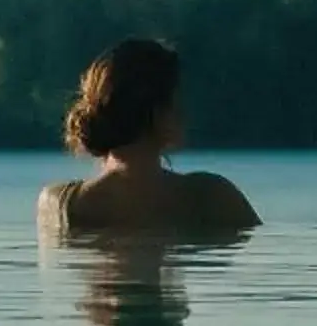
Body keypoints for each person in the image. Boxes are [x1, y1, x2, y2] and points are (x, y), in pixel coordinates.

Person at [37, 37, 259, 236]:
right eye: (177, 100)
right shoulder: (211, 197)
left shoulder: (58, 203)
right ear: (158, 113)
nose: (184, 111)